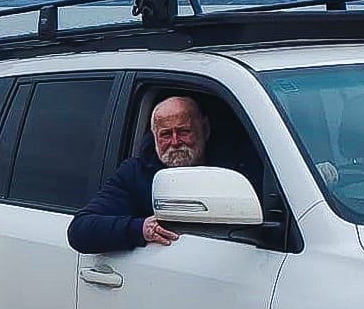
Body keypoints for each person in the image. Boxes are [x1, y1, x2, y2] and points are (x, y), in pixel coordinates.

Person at [67, 94, 241, 252]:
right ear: (154, 137)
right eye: (165, 134)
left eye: (184, 132)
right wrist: (141, 229)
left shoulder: (234, 171)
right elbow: (80, 230)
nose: (175, 142)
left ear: (205, 130)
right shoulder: (135, 174)